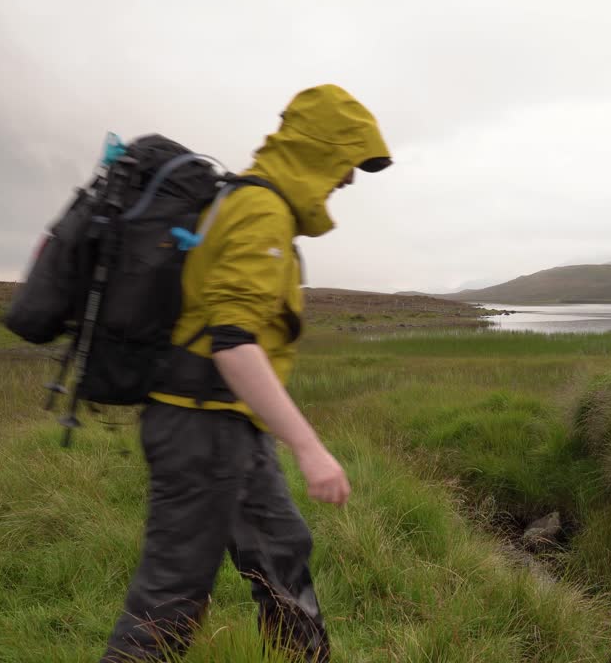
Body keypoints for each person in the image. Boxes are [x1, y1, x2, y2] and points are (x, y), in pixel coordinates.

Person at [101, 84, 393, 662]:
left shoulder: (261, 209)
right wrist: (310, 448)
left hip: (229, 426)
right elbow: (232, 344)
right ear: (318, 151)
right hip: (198, 428)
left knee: (282, 550)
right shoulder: (260, 210)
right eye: (347, 163)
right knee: (171, 601)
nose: (349, 180)